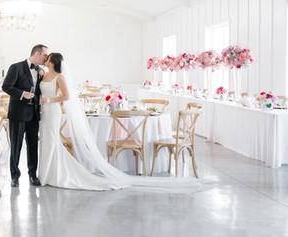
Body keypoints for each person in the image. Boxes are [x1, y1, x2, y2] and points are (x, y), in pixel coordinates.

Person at [38, 52, 201, 192]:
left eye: (48, 57)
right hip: (44, 112)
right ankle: (46, 173)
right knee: (46, 142)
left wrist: (49, 99)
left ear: (53, 61)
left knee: (52, 141)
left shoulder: (60, 77)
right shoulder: (44, 75)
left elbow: (66, 97)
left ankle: (55, 174)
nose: (46, 59)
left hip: (53, 111)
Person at [2, 44, 49, 187]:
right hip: (18, 113)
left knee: (33, 146)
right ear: (37, 53)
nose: (46, 58)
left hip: (34, 114)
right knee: (16, 146)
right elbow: (6, 86)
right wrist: (22, 94)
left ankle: (32, 175)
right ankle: (14, 176)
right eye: (45, 55)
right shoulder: (16, 67)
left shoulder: (41, 71)